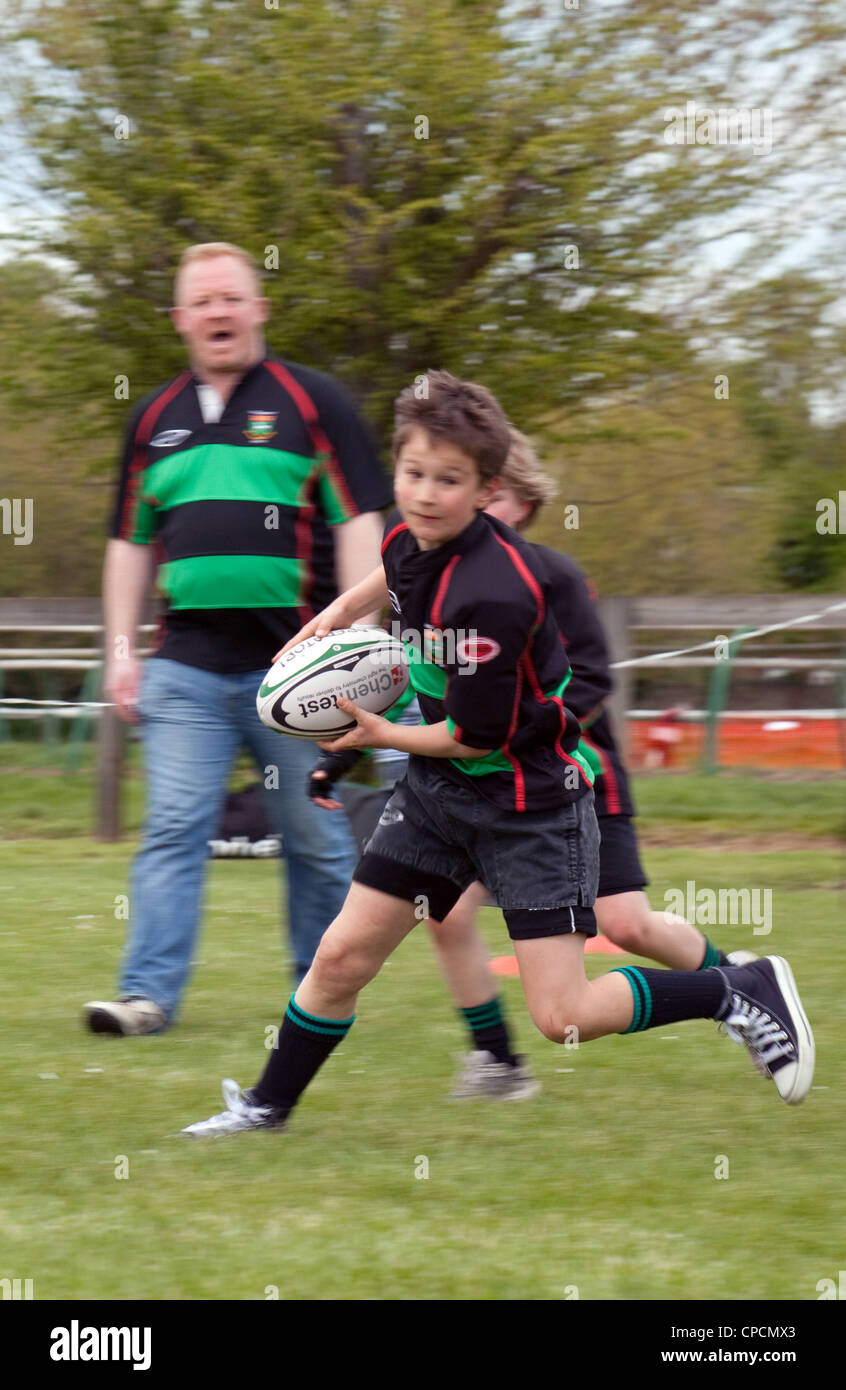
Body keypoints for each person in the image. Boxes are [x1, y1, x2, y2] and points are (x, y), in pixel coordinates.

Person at [182, 369, 814, 1135]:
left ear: (486, 488)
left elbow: (471, 736)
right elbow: (394, 571)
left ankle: (734, 989)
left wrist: (377, 735)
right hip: (434, 800)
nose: (423, 494)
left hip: (526, 808)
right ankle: (263, 1108)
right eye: (412, 473)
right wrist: (338, 614)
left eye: (448, 481)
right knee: (342, 957)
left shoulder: (496, 592)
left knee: (564, 1014)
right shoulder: (410, 536)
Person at [308, 426, 754, 1099]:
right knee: (447, 913)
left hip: (570, 776)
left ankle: (737, 986)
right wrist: (342, 756)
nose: (440, 501)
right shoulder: (436, 569)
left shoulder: (540, 580)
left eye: (488, 493)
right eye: (419, 478)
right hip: (472, 779)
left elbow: (592, 685)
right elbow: (420, 686)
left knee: (627, 924)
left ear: (512, 500)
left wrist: (528, 730)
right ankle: (498, 1063)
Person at [84, 242, 393, 1036]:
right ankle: (145, 997)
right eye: (203, 302)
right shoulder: (151, 420)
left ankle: (319, 997)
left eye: (232, 298)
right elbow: (128, 543)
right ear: (181, 319)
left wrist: (355, 645)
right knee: (173, 827)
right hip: (183, 669)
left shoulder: (315, 403)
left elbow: (361, 520)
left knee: (315, 835)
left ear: (258, 309)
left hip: (295, 672)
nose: (218, 312)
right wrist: (122, 654)